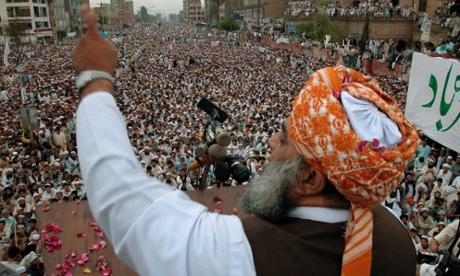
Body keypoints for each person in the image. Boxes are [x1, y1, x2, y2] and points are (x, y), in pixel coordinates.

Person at [72, 5, 418, 276]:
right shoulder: (398, 238)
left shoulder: (242, 256)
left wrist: (96, 79)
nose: (269, 140)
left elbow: (124, 206)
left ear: (312, 179)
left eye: (282, 139)